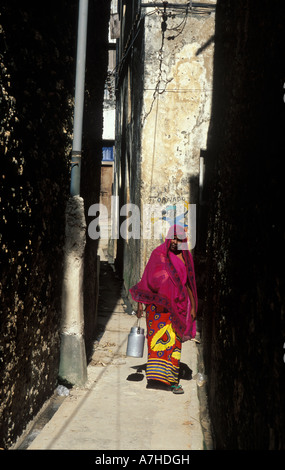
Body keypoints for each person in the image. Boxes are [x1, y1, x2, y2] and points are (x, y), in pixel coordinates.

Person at [129, 224, 198, 394]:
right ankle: (155, 378)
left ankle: (173, 381)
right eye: (173, 238)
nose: (175, 242)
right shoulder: (158, 254)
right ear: (168, 237)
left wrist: (194, 307)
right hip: (157, 309)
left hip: (177, 308)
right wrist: (140, 304)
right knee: (157, 344)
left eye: (179, 239)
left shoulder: (186, 257)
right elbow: (146, 280)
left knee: (174, 344)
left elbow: (189, 284)